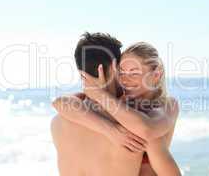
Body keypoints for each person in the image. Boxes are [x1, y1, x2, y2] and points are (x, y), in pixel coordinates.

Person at [53, 38, 182, 175]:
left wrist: (98, 94)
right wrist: (110, 130)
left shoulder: (57, 121)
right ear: (115, 69)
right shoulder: (129, 118)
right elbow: (59, 102)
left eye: (134, 73)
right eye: (122, 72)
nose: (125, 80)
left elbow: (147, 129)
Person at [51, 32, 146, 176]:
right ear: (115, 67)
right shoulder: (134, 121)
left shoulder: (58, 122)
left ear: (81, 72)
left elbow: (60, 102)